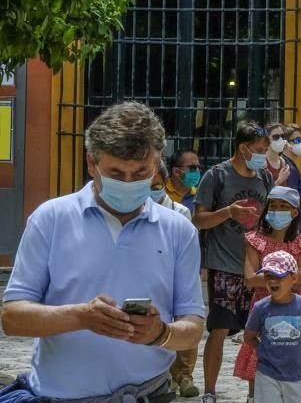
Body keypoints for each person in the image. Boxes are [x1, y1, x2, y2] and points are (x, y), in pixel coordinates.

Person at [0, 101, 205, 400]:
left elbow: (194, 326)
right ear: (91, 164)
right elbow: (13, 318)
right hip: (60, 396)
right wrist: (81, 316)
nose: (129, 182)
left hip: (149, 393)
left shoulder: (179, 230)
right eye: (116, 173)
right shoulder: (51, 219)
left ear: (157, 163)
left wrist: (160, 333)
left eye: (140, 173)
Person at [196, 120, 274, 403]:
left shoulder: (264, 178)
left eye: (265, 149)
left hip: (255, 267)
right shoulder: (217, 175)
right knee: (218, 329)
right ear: (243, 148)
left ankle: (254, 394)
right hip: (224, 265)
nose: (263, 154)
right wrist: (228, 212)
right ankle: (209, 391)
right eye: (259, 149)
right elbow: (200, 220)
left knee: (257, 330)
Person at [234, 187, 301, 397]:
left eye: (284, 206)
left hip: (293, 308)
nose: (277, 210)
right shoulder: (256, 240)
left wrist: (273, 277)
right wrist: (288, 277)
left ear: (294, 212)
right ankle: (254, 397)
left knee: (289, 351)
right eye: (273, 205)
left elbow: (300, 283)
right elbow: (250, 278)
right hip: (264, 305)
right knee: (257, 358)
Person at [148, 161, 200, 398]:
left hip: (176, 275)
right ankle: (165, 375)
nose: (153, 190)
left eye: (157, 185)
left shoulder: (180, 213)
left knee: (187, 322)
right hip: (152, 277)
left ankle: (185, 375)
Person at [243, 251, 301, 403]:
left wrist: (295, 351)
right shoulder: (260, 307)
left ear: (294, 278)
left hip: (296, 375)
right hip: (267, 374)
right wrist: (264, 350)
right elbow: (249, 336)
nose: (273, 281)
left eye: (279, 276)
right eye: (269, 277)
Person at [263, 123, 301, 236]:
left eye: (282, 137)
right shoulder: (262, 164)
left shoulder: (285, 164)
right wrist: (279, 180)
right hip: (271, 223)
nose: (281, 140)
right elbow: (262, 195)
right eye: (276, 137)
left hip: (291, 225)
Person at [165, 149, 202, 216]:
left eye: (198, 167)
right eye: (192, 167)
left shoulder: (199, 195)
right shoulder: (160, 193)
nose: (197, 171)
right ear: (176, 171)